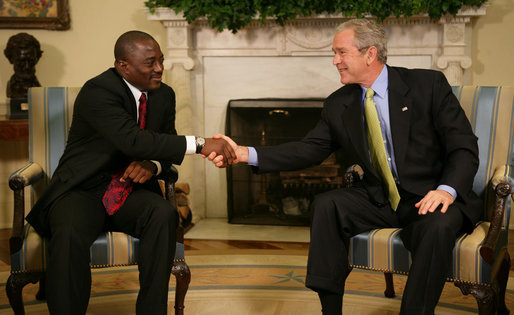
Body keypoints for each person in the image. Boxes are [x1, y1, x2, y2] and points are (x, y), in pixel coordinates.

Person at [211, 19, 481, 314]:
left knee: (438, 226)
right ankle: (330, 310)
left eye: (341, 52)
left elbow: (463, 146)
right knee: (328, 205)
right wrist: (243, 153)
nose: (334, 60)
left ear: (370, 53)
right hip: (381, 198)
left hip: (432, 196)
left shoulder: (427, 85)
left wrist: (446, 190)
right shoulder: (339, 104)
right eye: (334, 53)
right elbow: (308, 150)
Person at [25, 30, 235, 314]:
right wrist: (200, 143)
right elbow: (132, 140)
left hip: (128, 190)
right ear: (123, 65)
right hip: (82, 188)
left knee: (164, 214)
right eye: (150, 62)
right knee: (70, 230)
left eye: (160, 60)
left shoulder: (164, 95)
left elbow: (164, 147)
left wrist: (153, 166)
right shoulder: (98, 91)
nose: (159, 68)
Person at [3, 32, 43, 99]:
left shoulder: (39, 90)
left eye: (31, 61)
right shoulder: (11, 87)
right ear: (10, 59)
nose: (27, 67)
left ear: (37, 59)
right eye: (21, 61)